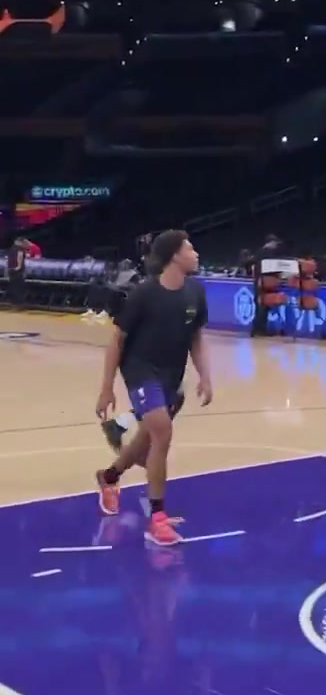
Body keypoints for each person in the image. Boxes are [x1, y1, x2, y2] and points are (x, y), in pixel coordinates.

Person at [94, 230, 212, 547]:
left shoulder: (196, 292)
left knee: (147, 437)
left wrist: (205, 376)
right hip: (140, 369)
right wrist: (107, 387)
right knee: (162, 431)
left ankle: (109, 476)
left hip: (171, 375)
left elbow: (196, 338)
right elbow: (117, 340)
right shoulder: (144, 294)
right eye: (190, 248)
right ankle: (157, 519)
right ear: (174, 255)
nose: (196, 253)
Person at [5, 238, 25, 309]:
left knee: (13, 286)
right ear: (19, 242)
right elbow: (20, 256)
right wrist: (19, 266)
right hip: (17, 270)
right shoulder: (20, 249)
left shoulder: (11, 249)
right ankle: (18, 304)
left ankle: (13, 303)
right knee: (18, 287)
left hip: (11, 269)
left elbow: (7, 259)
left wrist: (7, 269)